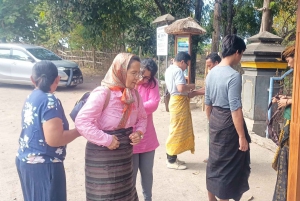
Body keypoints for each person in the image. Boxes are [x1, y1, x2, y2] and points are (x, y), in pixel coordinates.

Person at [75, 53, 147, 201]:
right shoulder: (103, 93)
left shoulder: (134, 95)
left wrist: (139, 133)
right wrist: (106, 140)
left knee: (126, 194)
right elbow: (82, 121)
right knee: (104, 195)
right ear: (120, 71)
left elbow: (142, 118)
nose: (137, 78)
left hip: (124, 158)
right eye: (133, 73)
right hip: (102, 158)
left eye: (138, 73)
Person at [15, 61, 80, 201]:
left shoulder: (31, 97)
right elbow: (55, 139)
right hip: (44, 165)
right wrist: (80, 131)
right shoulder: (50, 100)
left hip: (25, 161)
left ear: (32, 79)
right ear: (57, 79)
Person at [205, 35, 251, 201]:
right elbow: (235, 109)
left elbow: (207, 104)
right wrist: (241, 136)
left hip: (215, 119)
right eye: (242, 54)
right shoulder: (233, 76)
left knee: (214, 162)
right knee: (229, 166)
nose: (241, 58)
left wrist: (212, 123)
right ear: (237, 52)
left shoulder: (211, 73)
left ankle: (211, 198)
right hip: (229, 123)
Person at [164, 51, 205, 170]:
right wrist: (191, 86)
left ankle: (173, 156)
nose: (186, 67)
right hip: (179, 101)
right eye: (186, 64)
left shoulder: (169, 69)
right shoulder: (177, 71)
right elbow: (181, 88)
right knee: (176, 130)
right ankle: (171, 160)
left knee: (177, 128)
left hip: (175, 101)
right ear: (182, 62)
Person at [132, 58, 160, 201]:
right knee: (130, 174)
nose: (143, 78)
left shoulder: (152, 84)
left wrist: (135, 108)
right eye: (141, 74)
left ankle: (147, 198)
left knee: (147, 173)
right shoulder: (129, 81)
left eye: (147, 77)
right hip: (130, 138)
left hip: (147, 137)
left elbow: (154, 103)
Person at [272, 45, 295, 201]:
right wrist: (285, 99)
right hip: (290, 125)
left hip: (295, 129)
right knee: (285, 164)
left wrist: (288, 101)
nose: (289, 65)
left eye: (289, 60)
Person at [203, 52, 222, 163]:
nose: (209, 68)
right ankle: (213, 156)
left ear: (216, 63)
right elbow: (207, 90)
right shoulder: (213, 75)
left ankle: (215, 158)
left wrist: (209, 116)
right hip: (215, 109)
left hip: (216, 110)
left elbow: (208, 100)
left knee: (215, 135)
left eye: (210, 65)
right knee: (213, 136)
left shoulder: (214, 75)